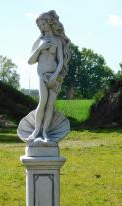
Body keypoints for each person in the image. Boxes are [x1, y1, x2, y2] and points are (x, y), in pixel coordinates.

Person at [27, 10, 71, 141]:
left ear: (49, 23)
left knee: (50, 104)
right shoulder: (39, 41)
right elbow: (30, 61)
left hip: (55, 77)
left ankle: (45, 132)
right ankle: (36, 131)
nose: (41, 27)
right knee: (42, 102)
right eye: (39, 26)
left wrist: (55, 76)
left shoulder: (57, 40)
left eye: (43, 24)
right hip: (42, 76)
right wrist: (40, 48)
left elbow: (61, 61)